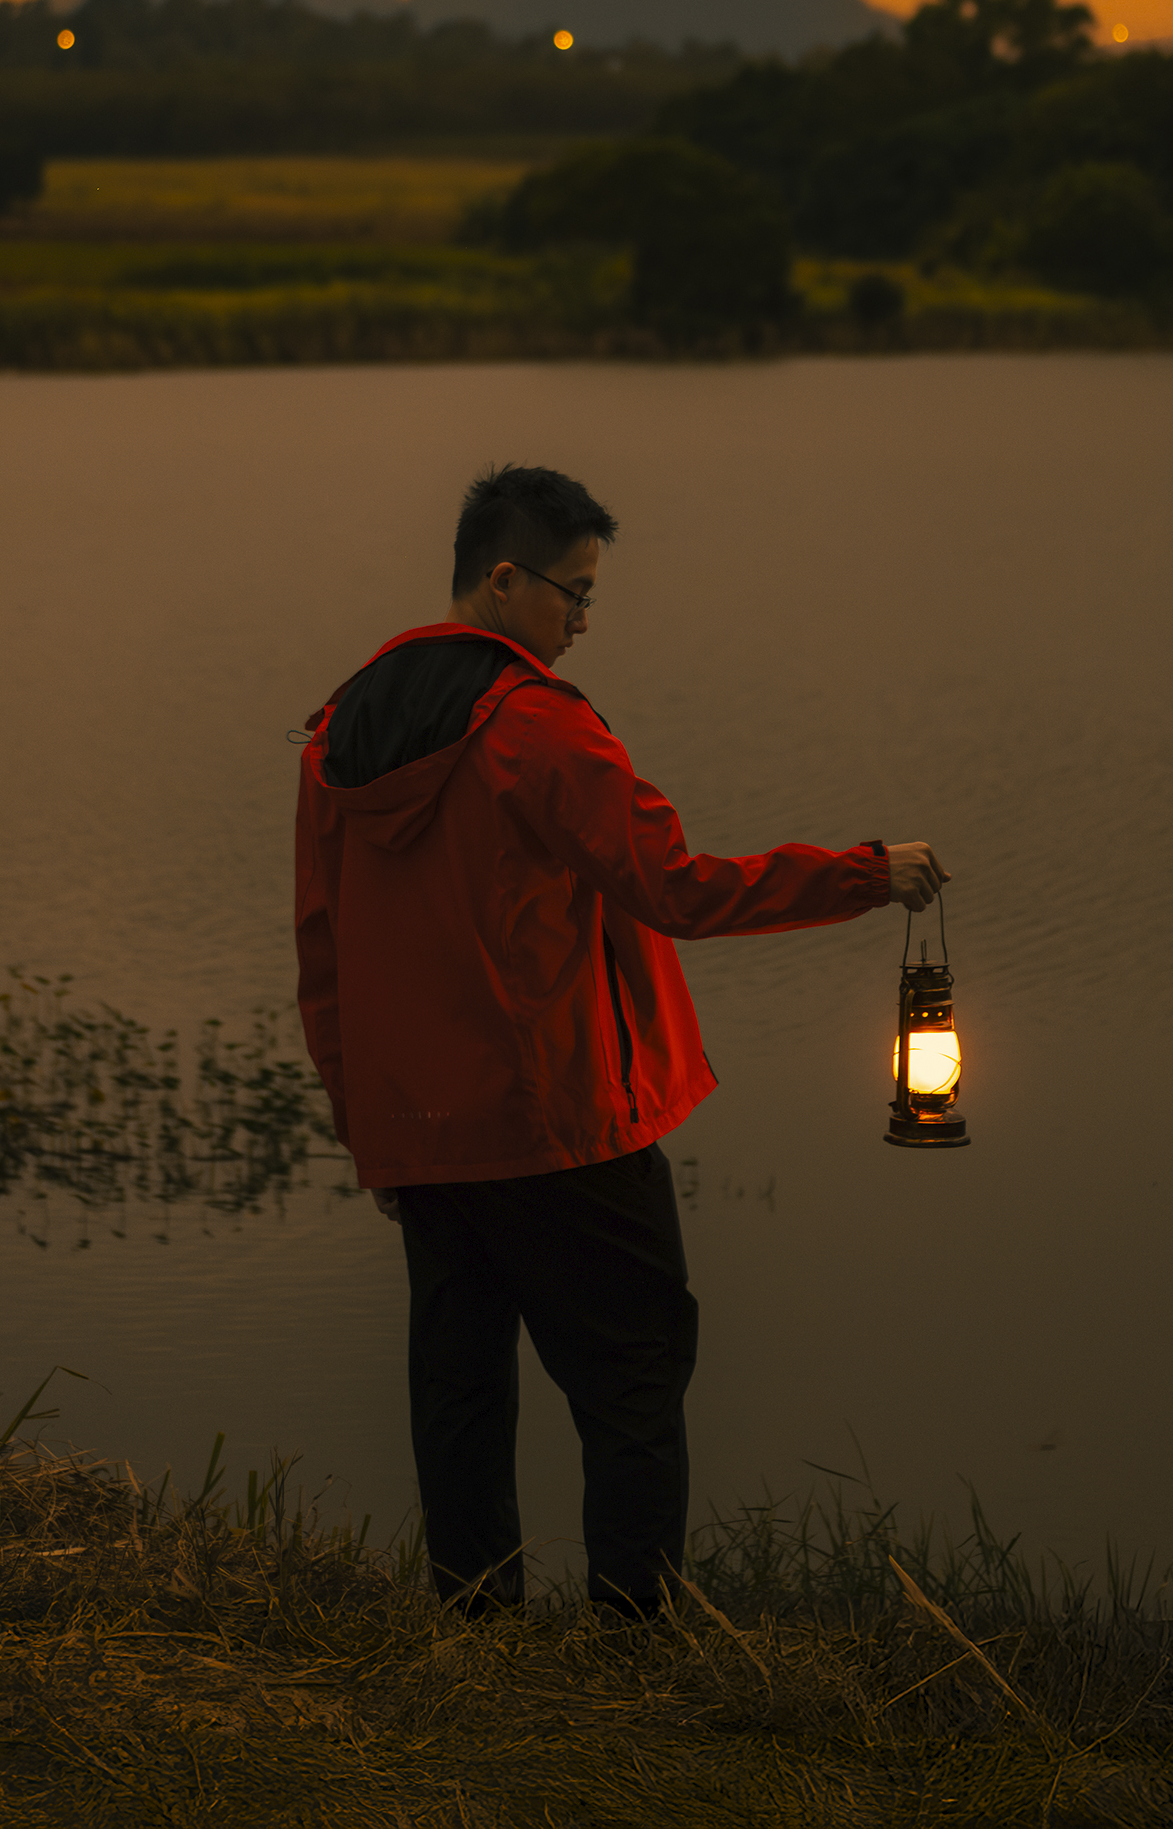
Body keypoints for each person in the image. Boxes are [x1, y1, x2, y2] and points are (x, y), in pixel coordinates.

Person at [293, 461, 948, 1621]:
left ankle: (475, 1627)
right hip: (562, 1128)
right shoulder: (535, 725)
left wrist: (369, 1131)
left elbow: (323, 952)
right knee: (634, 1384)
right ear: (502, 582)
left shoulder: (340, 729)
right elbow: (676, 889)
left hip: (425, 1132)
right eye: (572, 595)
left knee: (458, 1393)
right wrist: (862, 873)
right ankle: (636, 1641)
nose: (583, 623)